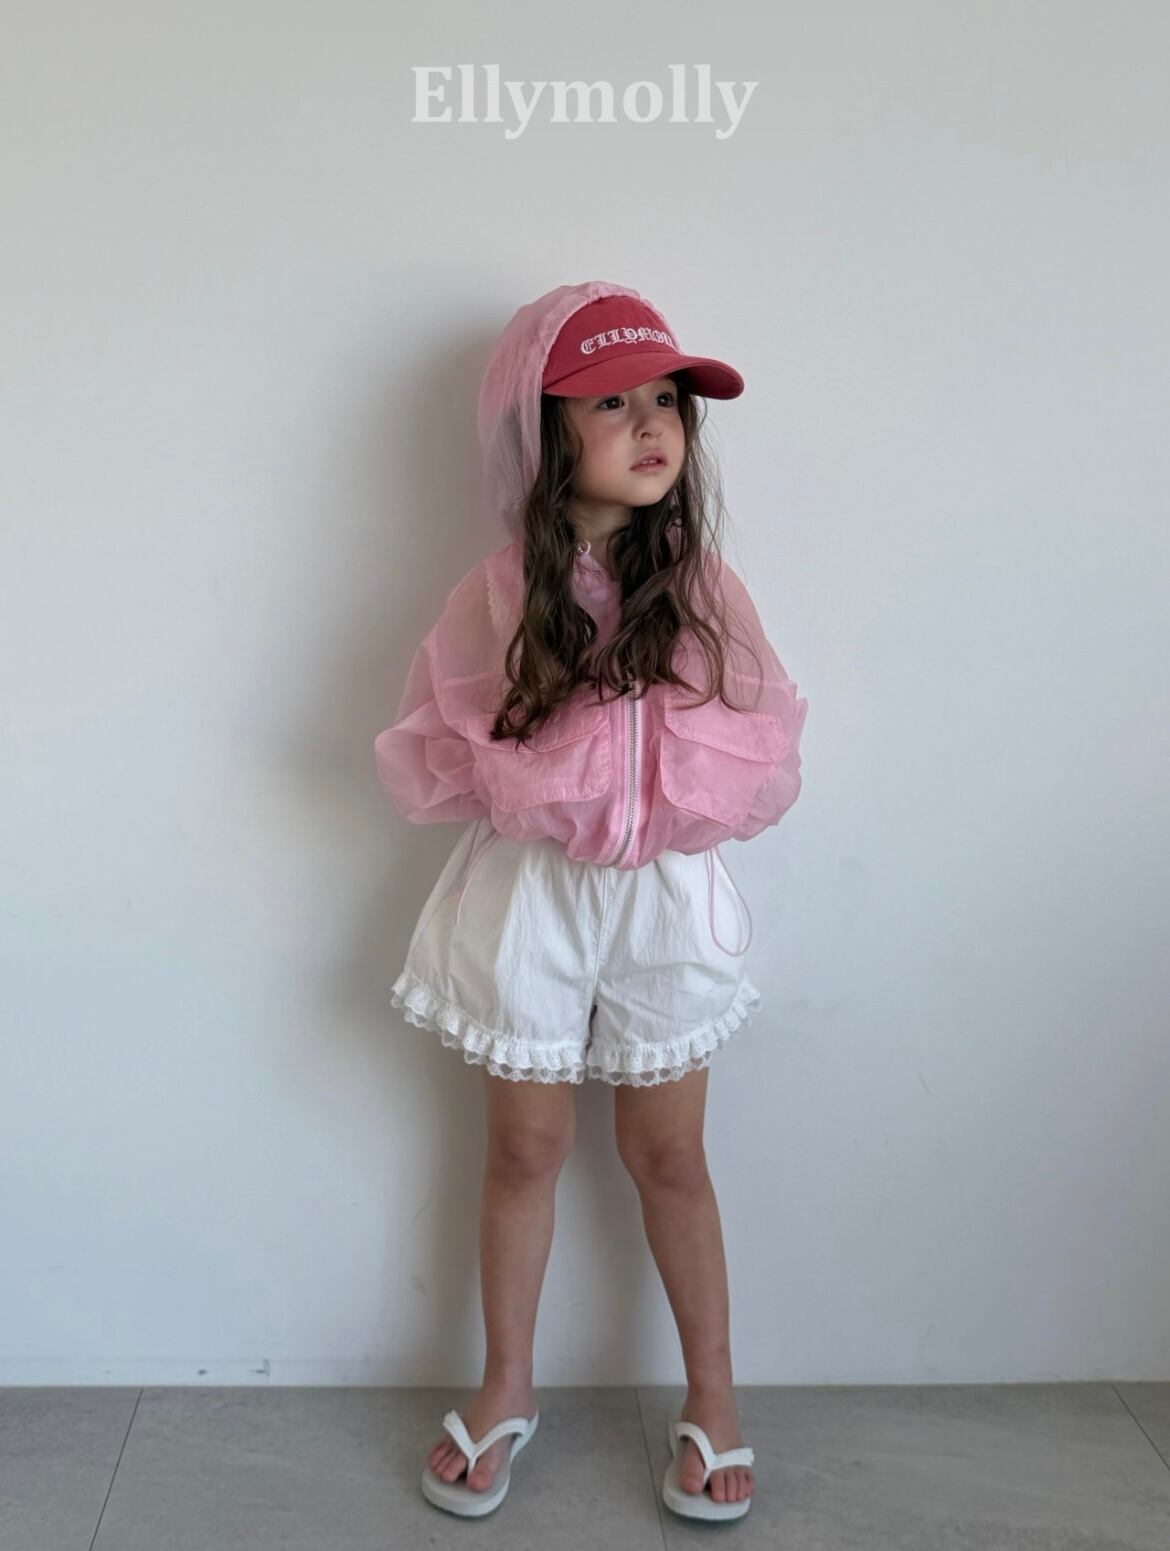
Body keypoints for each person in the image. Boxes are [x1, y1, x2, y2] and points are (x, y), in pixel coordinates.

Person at [373, 281, 808, 1522]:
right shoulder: (502, 589)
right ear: (542, 428)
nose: (651, 422)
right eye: (611, 403)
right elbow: (445, 737)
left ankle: (713, 1395)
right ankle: (506, 1383)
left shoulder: (703, 587)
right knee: (525, 1148)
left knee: (670, 1157)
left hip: (663, 900)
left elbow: (761, 738)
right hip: (534, 901)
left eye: (665, 399)